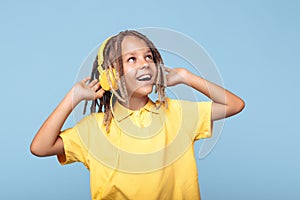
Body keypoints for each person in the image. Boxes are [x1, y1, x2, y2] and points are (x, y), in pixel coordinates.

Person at [30, 30, 245, 200]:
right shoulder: (93, 128)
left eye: (148, 57)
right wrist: (73, 97)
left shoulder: (177, 113)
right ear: (111, 75)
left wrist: (186, 77)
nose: (144, 63)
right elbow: (40, 147)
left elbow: (234, 105)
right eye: (131, 59)